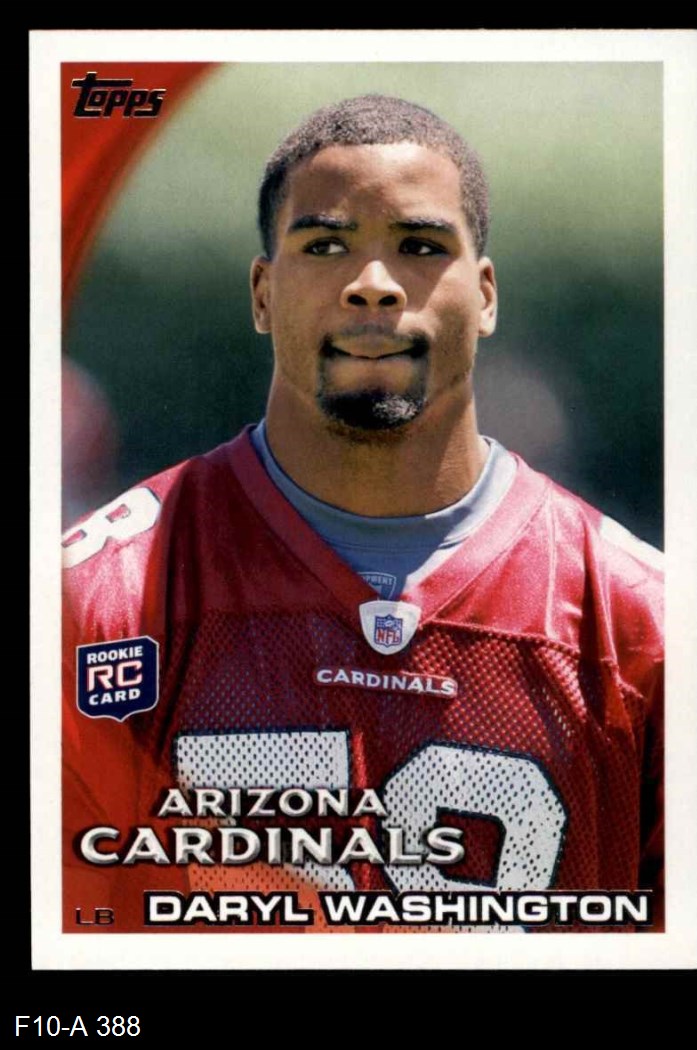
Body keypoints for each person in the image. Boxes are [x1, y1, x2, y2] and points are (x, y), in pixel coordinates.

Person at [62, 95, 663, 933]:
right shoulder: (92, 603)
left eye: (420, 247)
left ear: (486, 295)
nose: (373, 285)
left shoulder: (642, 623)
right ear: (263, 294)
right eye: (325, 246)